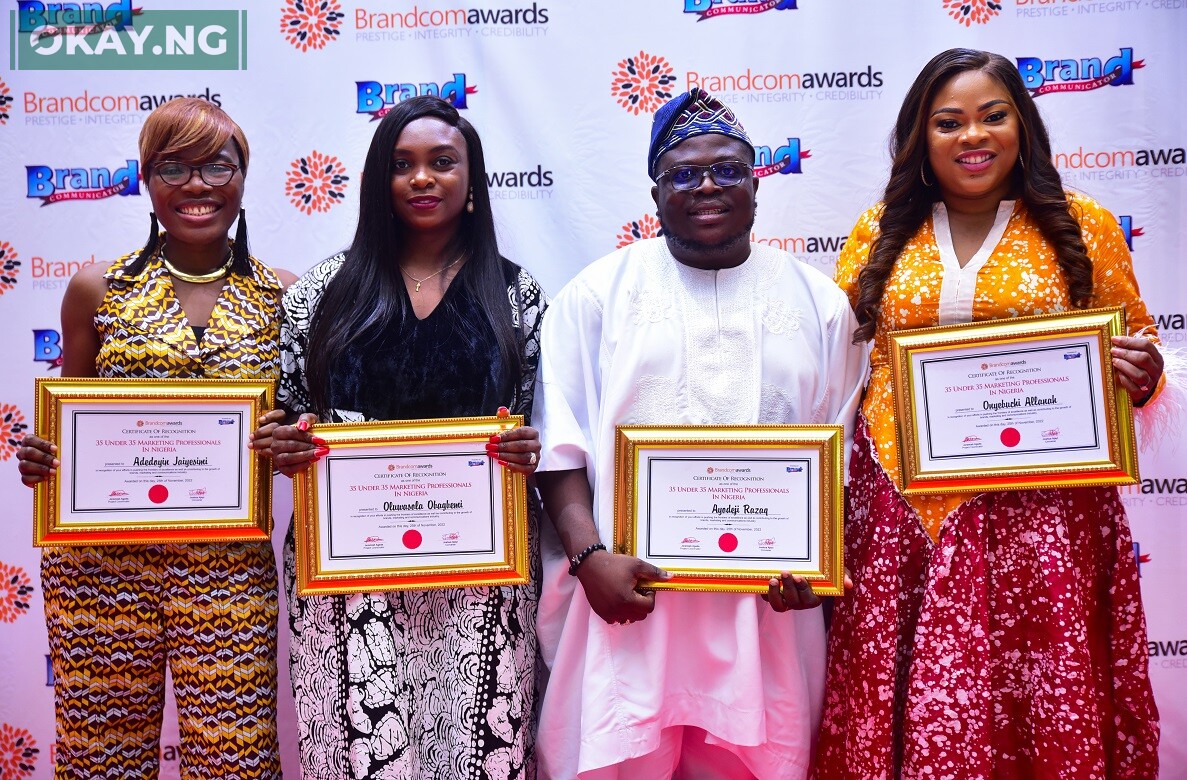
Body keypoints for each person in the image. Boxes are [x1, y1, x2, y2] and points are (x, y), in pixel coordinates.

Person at [813, 49, 1165, 778]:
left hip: (1043, 518)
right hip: (902, 514)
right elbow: (836, 364)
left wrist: (1142, 374)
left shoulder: (1084, 225)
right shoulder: (880, 231)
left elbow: (1137, 350)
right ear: (921, 136)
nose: (972, 136)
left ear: (1021, 124)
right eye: (949, 123)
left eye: (991, 116)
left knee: (1038, 699)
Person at [532, 88, 870, 779]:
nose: (707, 185)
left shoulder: (819, 303)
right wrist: (589, 555)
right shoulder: (595, 296)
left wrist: (818, 569)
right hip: (625, 604)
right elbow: (559, 443)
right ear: (654, 193)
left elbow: (839, 462)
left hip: (766, 612)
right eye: (683, 173)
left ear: (756, 182)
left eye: (727, 169)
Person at [266, 95, 546, 779]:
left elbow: (537, 423)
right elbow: (289, 417)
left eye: (441, 163)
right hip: (347, 580)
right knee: (364, 752)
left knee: (477, 752)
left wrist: (527, 449)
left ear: (472, 180)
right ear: (377, 182)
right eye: (402, 164)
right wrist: (286, 446)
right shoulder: (321, 293)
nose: (422, 178)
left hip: (483, 580)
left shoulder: (516, 295)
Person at [15, 97, 293, 778]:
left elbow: (297, 438)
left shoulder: (285, 296)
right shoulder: (95, 290)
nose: (196, 185)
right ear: (146, 178)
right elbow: (67, 422)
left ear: (243, 177)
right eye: (174, 167)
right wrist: (42, 458)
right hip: (99, 572)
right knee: (100, 761)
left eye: (216, 166)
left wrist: (292, 449)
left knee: (236, 762)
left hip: (227, 570)